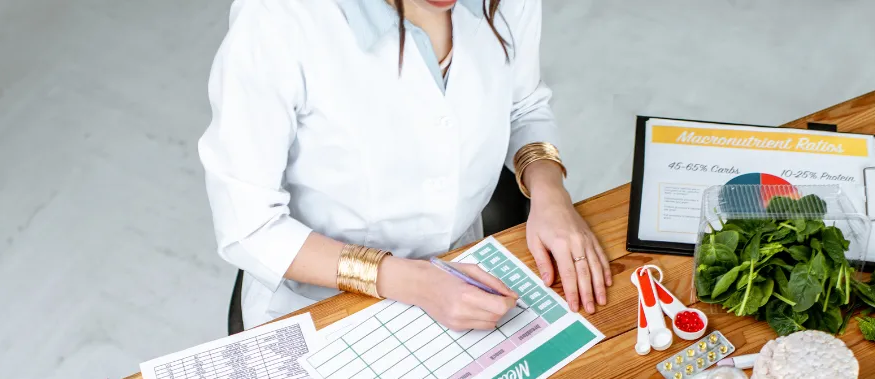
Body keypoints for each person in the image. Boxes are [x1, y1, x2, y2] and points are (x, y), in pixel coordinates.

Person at [199, 0, 612, 334]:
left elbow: (523, 104)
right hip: (320, 303)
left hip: (463, 273)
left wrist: (550, 192)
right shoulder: (278, 19)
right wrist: (414, 282)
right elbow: (248, 226)